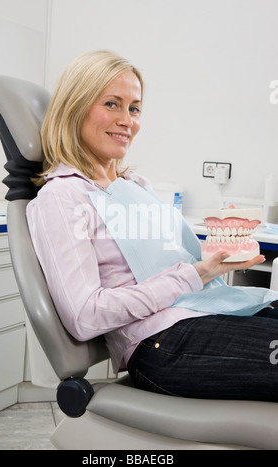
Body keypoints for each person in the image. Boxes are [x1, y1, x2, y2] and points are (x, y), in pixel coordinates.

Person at [27, 50, 278, 401]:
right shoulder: (63, 196)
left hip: (202, 310)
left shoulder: (136, 185)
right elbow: (84, 316)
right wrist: (195, 275)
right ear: (75, 107)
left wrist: (215, 258)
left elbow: (169, 256)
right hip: (162, 343)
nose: (126, 120)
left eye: (134, 108)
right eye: (112, 104)